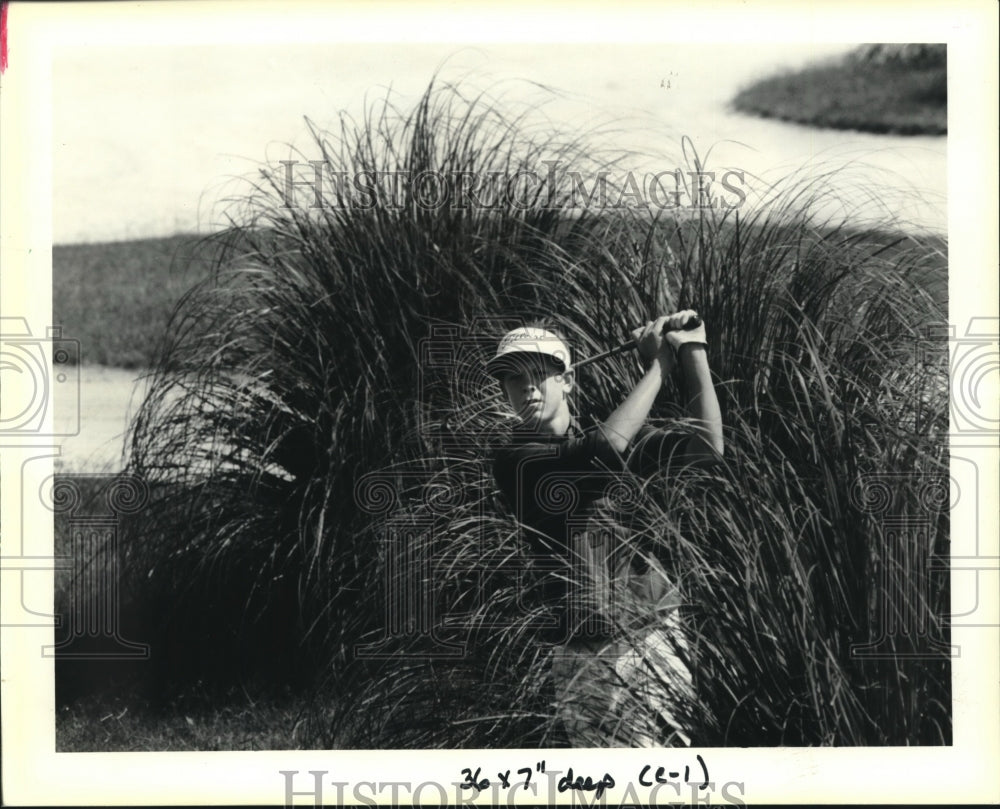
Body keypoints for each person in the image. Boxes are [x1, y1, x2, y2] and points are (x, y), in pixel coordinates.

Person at [487, 312, 723, 747]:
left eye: (538, 373)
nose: (525, 387)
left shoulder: (617, 436)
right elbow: (603, 449)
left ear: (568, 380)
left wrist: (692, 349)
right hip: (583, 653)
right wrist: (659, 365)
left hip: (655, 631)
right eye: (511, 379)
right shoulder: (514, 460)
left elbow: (707, 446)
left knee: (676, 773)